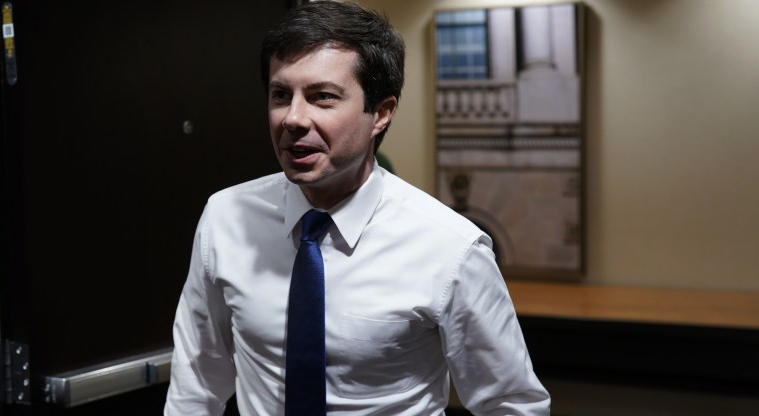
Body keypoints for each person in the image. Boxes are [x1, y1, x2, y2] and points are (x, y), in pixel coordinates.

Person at [164, 1, 550, 415]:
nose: (292, 118)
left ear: (381, 113)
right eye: (280, 95)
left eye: (322, 97)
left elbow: (511, 404)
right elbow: (197, 383)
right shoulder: (226, 218)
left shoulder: (451, 248)